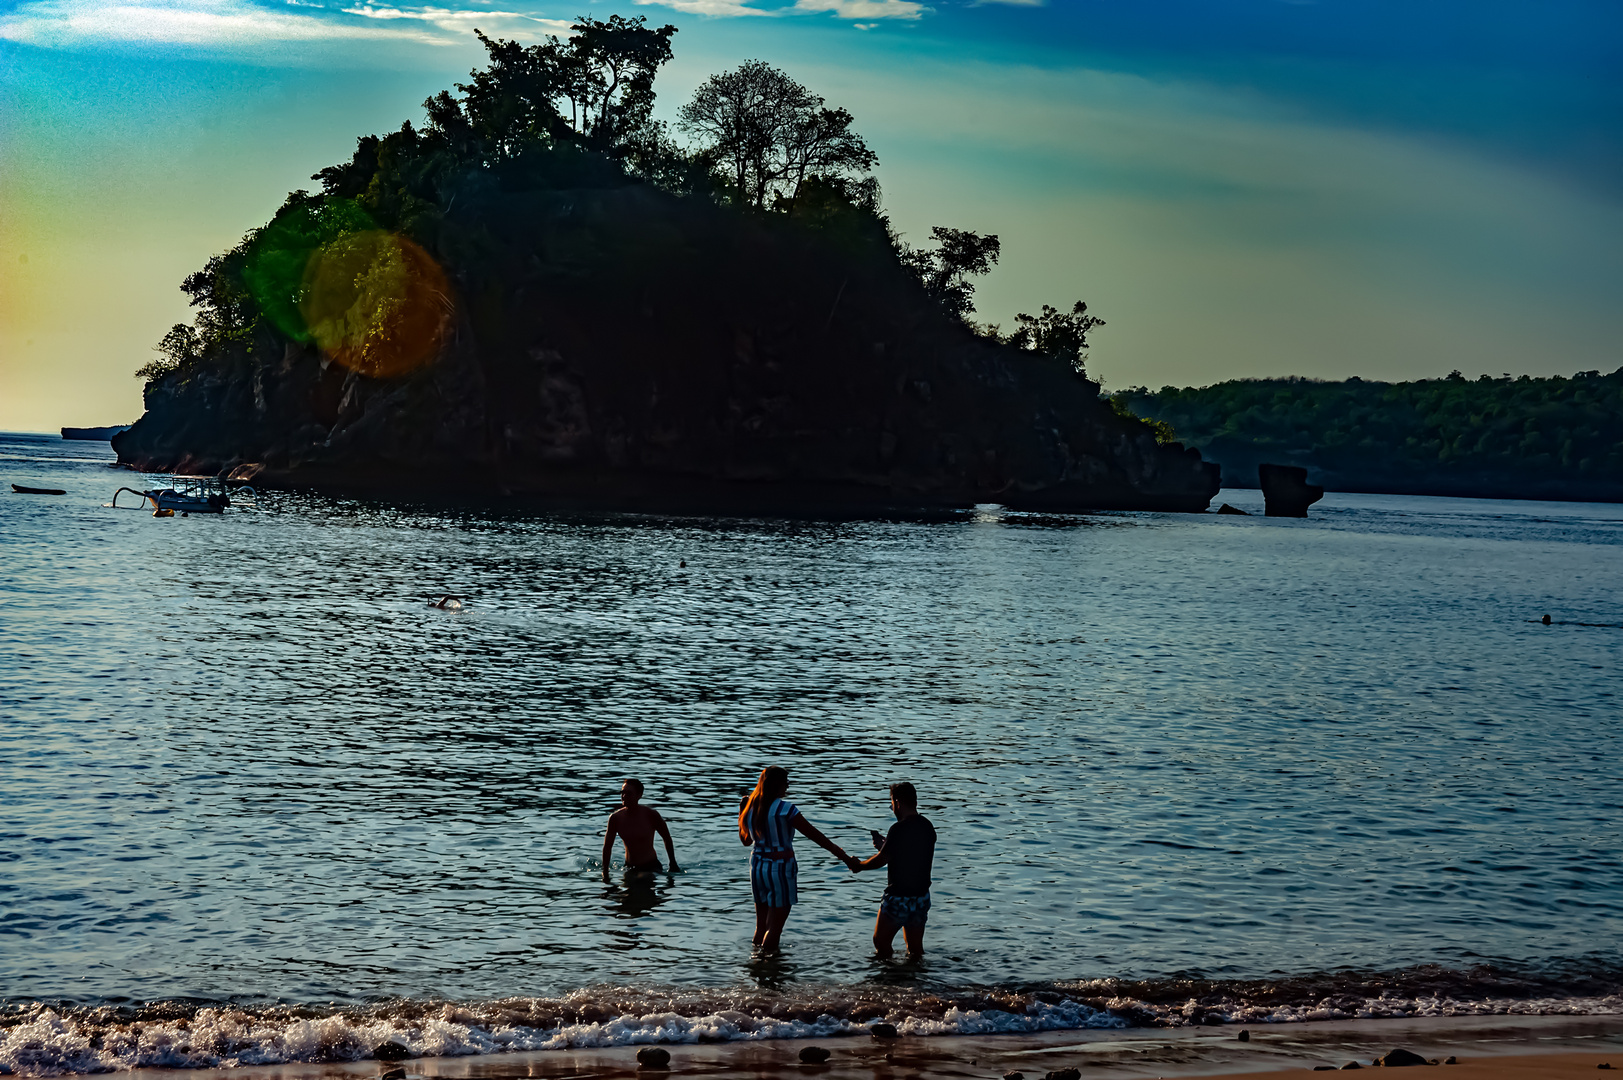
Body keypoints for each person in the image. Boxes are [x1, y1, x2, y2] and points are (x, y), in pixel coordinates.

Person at [738, 765, 855, 953]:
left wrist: (741, 812)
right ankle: (770, 972)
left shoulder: (751, 807)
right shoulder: (786, 809)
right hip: (780, 869)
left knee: (761, 927)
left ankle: (755, 966)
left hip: (758, 868)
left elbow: (746, 841)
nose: (788, 785)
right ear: (776, 784)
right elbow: (815, 836)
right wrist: (844, 857)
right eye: (785, 781)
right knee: (775, 928)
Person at [849, 781, 936, 959]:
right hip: (920, 896)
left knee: (880, 942)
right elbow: (911, 853)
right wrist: (885, 846)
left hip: (898, 897)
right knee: (915, 949)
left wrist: (860, 866)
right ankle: (916, 981)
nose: (893, 809)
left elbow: (881, 860)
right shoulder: (927, 826)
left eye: (892, 805)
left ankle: (887, 981)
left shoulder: (898, 829)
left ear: (898, 802)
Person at [601, 778, 681, 881]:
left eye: (628, 793)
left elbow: (667, 838)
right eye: (622, 792)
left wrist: (673, 863)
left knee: (643, 881)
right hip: (629, 866)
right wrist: (605, 873)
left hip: (651, 866)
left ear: (639, 795)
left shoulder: (651, 815)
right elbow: (607, 847)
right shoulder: (615, 818)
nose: (624, 796)